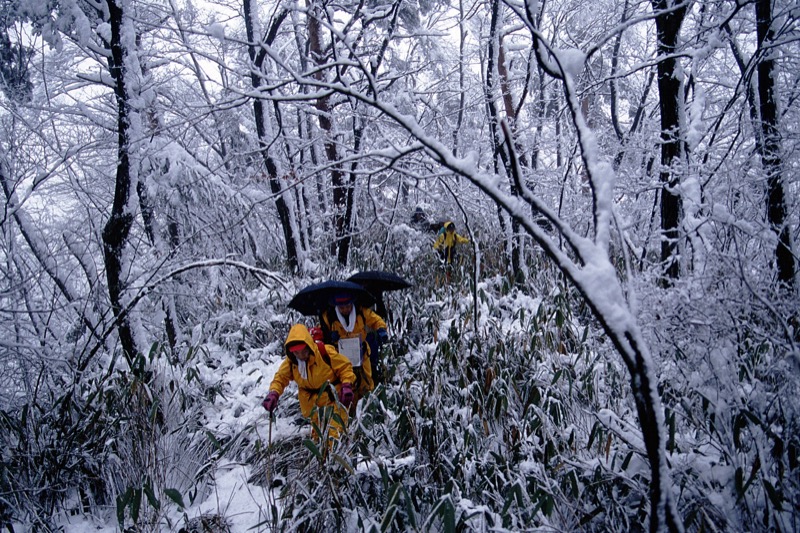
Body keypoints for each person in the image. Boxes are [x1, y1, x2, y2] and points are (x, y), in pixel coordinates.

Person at [262, 324, 356, 443]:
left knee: (334, 437)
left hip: (333, 401)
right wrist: (274, 393)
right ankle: (322, 461)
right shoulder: (291, 362)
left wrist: (347, 385)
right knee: (317, 439)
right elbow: (280, 378)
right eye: (296, 353)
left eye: (303, 351)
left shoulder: (324, 352)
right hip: (313, 407)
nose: (301, 356)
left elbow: (345, 367)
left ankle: (339, 460)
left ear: (309, 345)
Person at [320, 292, 389, 409]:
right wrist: (330, 337)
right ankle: (350, 412)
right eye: (342, 307)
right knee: (347, 383)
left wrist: (381, 329)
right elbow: (322, 335)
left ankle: (368, 409)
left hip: (362, 354)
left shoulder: (361, 311)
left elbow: (376, 320)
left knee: (366, 383)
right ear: (336, 306)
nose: (345, 309)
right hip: (341, 357)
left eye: (348, 306)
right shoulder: (329, 316)